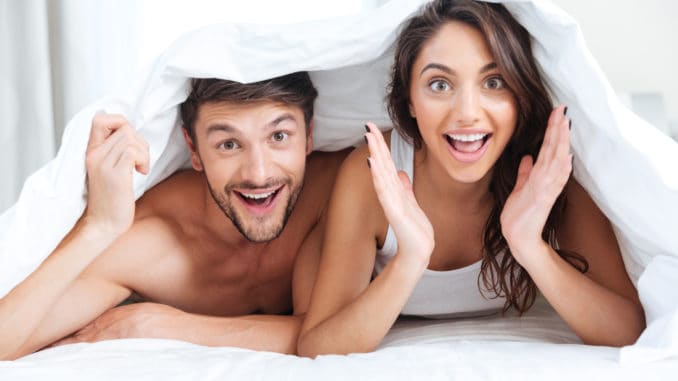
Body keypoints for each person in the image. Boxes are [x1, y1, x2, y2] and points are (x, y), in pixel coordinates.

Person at [297, 0, 645, 357]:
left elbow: (628, 331)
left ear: (520, 96)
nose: (466, 113)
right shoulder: (373, 174)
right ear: (410, 101)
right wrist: (410, 259)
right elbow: (319, 346)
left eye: (493, 82)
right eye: (439, 84)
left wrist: (530, 247)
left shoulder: (550, 176)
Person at [0, 72, 349, 360]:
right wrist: (99, 226)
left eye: (279, 136)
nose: (258, 173)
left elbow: (326, 332)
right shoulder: (152, 241)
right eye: (228, 144)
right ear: (194, 151)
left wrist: (162, 326)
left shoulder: (336, 193)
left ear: (309, 137)